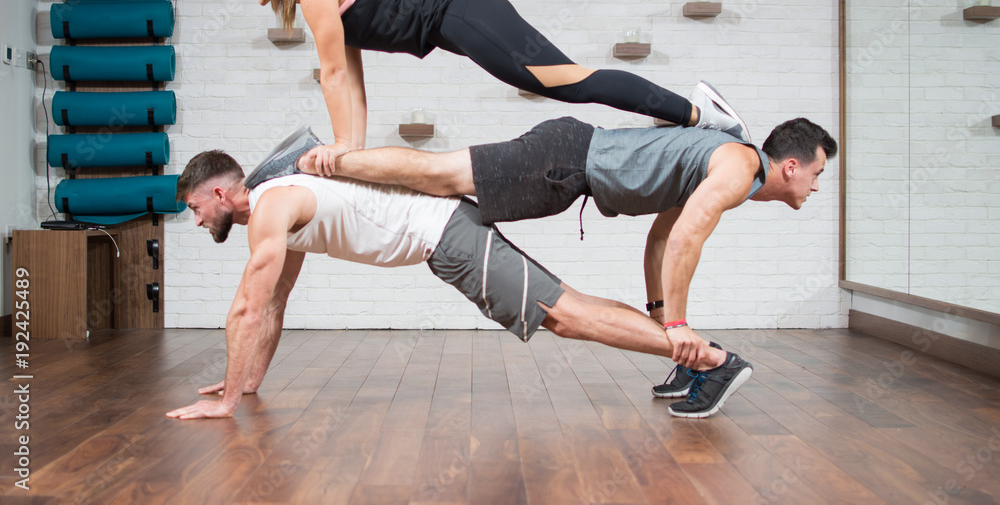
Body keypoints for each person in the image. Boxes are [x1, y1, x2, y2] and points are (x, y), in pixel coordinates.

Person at [165, 137, 756, 422]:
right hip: (444, 235)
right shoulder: (279, 207)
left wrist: (228, 403)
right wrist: (241, 384)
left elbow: (245, 306)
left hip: (447, 233)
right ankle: (693, 356)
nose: (196, 221)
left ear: (220, 192)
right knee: (563, 311)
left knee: (564, 315)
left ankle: (710, 358)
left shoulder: (270, 207)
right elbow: (272, 304)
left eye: (195, 209)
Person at [293, 115, 837, 400]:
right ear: (790, 165)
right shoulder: (739, 169)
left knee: (442, 179)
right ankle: (315, 161)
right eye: (816, 174)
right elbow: (687, 238)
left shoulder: (721, 164)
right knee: (440, 174)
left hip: (570, 162)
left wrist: (657, 311)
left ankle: (325, 164)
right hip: (567, 163)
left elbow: (661, 238)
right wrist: (675, 321)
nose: (816, 187)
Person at [236, 0, 749, 170]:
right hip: (465, 17)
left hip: (465, 13)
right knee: (571, 82)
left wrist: (343, 144)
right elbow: (351, 79)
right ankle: (689, 114)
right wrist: (354, 147)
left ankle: (699, 113)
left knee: (571, 83)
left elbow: (331, 75)